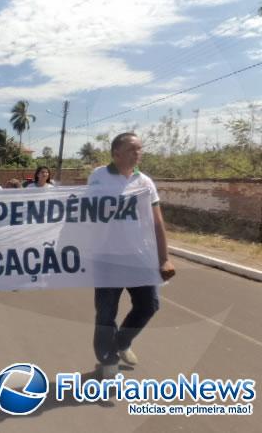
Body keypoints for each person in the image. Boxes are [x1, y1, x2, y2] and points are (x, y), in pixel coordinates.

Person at [88, 132, 176, 379]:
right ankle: (108, 361)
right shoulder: (98, 177)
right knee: (106, 314)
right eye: (131, 149)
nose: (138, 153)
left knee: (149, 305)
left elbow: (157, 222)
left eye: (140, 149)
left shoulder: (145, 182)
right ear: (116, 153)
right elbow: (87, 212)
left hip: (140, 258)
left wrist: (164, 258)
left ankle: (122, 342)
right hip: (107, 259)